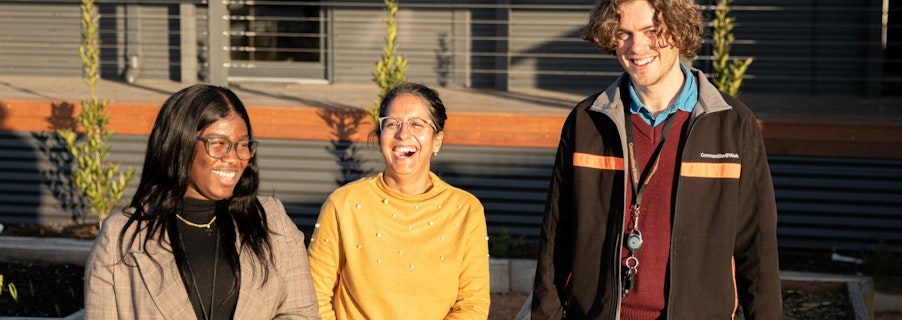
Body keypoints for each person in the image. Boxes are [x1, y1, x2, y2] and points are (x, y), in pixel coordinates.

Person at [530, 0, 781, 319]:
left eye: (652, 31)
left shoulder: (733, 125)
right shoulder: (586, 122)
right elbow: (555, 238)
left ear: (678, 31)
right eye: (624, 33)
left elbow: (757, 251)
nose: (637, 47)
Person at [84, 84, 320, 319]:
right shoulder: (122, 238)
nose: (233, 158)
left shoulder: (271, 221)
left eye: (243, 145)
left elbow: (301, 312)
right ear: (180, 145)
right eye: (218, 144)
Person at [307, 82, 490, 319]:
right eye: (392, 124)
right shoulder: (344, 204)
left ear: (437, 140)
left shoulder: (465, 210)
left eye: (417, 124)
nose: (403, 134)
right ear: (380, 136)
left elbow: (472, 303)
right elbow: (312, 294)